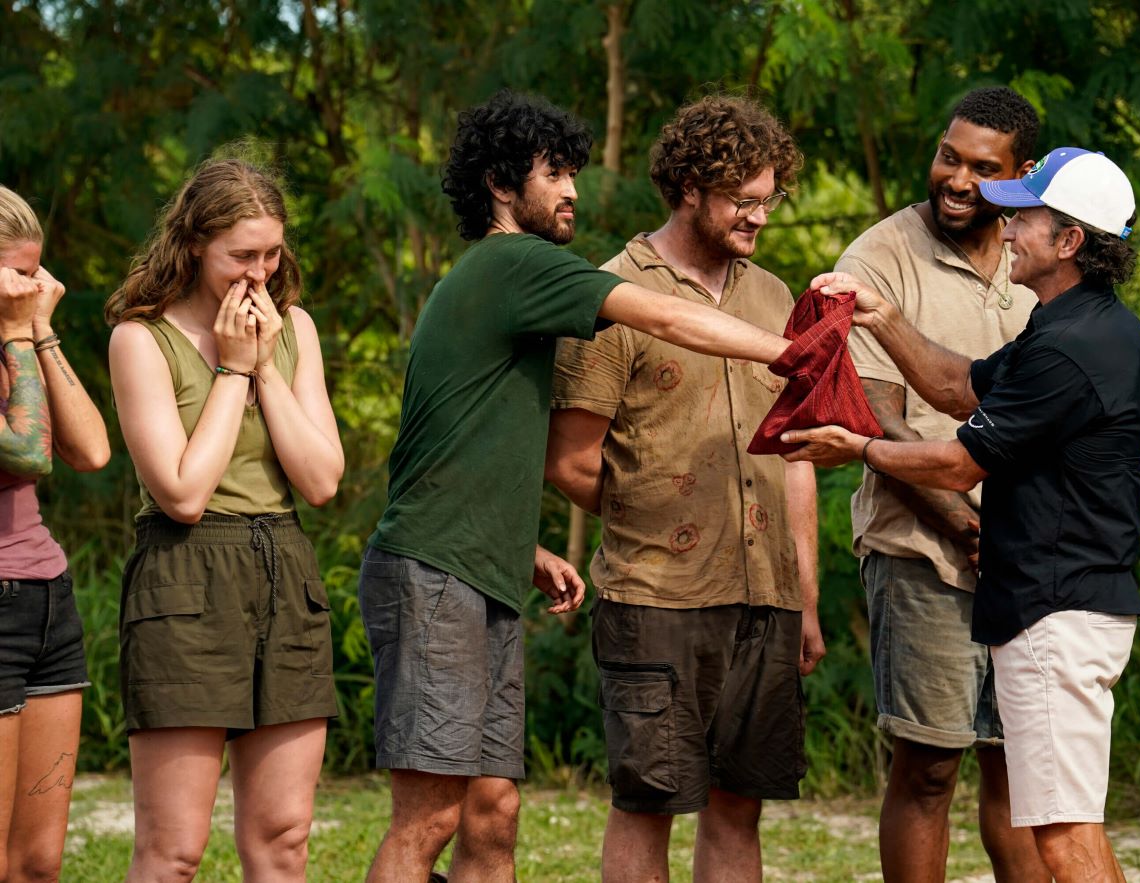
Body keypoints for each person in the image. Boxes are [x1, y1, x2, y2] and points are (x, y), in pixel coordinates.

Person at [357, 90, 831, 883]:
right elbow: (664, 319)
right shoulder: (515, 261)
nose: (574, 191)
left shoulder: (510, 283)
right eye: (556, 175)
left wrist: (525, 543)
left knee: (493, 810)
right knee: (432, 814)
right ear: (502, 186)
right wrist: (788, 353)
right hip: (438, 572)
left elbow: (467, 442)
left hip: (483, 565)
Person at [784, 147, 1140, 883]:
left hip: (1058, 612)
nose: (1007, 228)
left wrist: (857, 445)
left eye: (1025, 217)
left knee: (1063, 836)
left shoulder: (1073, 346)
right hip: (1061, 605)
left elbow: (959, 461)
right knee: (1068, 822)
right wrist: (883, 316)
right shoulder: (1069, 324)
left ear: (1070, 241)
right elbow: (960, 386)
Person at [545, 95, 821, 883]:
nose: (760, 218)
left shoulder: (775, 299)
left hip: (764, 596)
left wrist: (804, 592)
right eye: (744, 200)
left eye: (770, 199)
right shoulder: (611, 296)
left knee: (740, 804)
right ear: (691, 188)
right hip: (656, 597)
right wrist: (661, 515)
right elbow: (569, 463)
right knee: (649, 802)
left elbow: (796, 451)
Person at [106, 156, 344, 883]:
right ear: (194, 242)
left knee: (284, 838)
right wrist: (232, 369)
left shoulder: (293, 326)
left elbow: (321, 478)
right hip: (186, 572)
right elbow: (182, 492)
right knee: (174, 850)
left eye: (272, 253)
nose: (260, 272)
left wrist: (266, 366)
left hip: (284, 565)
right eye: (242, 254)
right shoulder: (140, 339)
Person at [835, 86, 1050, 882]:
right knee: (928, 769)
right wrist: (965, 520)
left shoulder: (1043, 257)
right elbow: (873, 418)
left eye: (982, 168)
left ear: (1021, 175)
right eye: (947, 156)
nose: (956, 179)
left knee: (1021, 773)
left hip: (1032, 562)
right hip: (924, 547)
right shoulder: (877, 258)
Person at [0, 186, 110, 882]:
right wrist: (16, 334)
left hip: (46, 601)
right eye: (14, 272)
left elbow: (92, 450)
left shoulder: (17, 341)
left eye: (35, 274)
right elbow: (26, 454)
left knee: (37, 863)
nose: (30, 287)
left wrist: (37, 331)